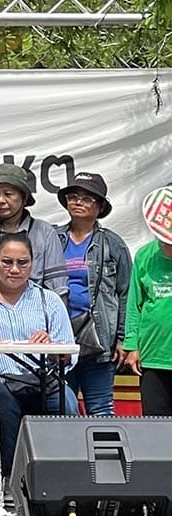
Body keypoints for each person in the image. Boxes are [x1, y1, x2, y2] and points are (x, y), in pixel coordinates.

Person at [0, 233, 78, 482]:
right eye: (7, 262)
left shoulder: (48, 300)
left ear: (32, 264)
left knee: (67, 401)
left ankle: (61, 476)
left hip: (42, 378)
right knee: (2, 400)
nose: (14, 269)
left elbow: (68, 356)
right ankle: (8, 476)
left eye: (22, 263)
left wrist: (53, 347)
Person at [56, 172, 132, 416]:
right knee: (61, 409)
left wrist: (123, 339)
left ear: (99, 207)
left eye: (87, 198)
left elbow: (125, 293)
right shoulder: (53, 239)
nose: (78, 202)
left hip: (100, 339)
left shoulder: (113, 244)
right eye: (73, 196)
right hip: (61, 340)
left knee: (101, 410)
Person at [0, 163, 68, 299]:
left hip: (31, 309)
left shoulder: (45, 233)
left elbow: (58, 289)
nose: (0, 200)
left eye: (8, 194)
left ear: (23, 197)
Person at [124, 185, 172, 415]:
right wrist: (132, 346)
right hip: (153, 355)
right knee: (155, 425)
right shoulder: (145, 255)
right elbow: (134, 304)